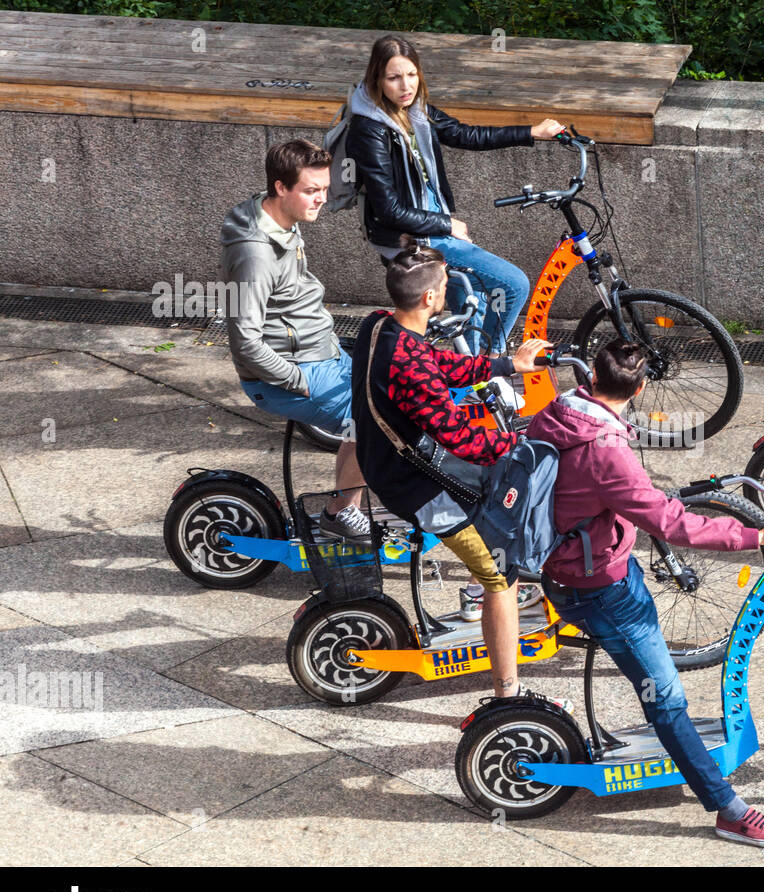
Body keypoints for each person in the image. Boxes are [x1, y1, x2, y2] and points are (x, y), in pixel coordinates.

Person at [528, 341, 764, 848]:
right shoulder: (605, 451)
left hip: (571, 564)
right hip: (600, 588)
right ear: (641, 387)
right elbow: (670, 524)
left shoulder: (561, 411)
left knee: (661, 688)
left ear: (591, 378)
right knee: (667, 699)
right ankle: (728, 809)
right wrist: (752, 536)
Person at [350, 237, 559, 705]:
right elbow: (461, 438)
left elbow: (438, 364)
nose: (447, 290)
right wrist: (518, 442)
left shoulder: (378, 326)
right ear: (429, 298)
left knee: (501, 499)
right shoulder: (408, 363)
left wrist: (508, 363)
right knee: (497, 576)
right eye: (444, 284)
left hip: (386, 458)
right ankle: (508, 693)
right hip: (416, 484)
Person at [346, 34, 566, 355]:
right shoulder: (369, 131)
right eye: (394, 78)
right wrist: (446, 224)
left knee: (469, 309)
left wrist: (531, 132)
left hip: (434, 230)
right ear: (377, 79)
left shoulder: (417, 112)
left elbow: (465, 134)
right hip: (413, 239)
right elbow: (389, 209)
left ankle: (473, 379)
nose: (405, 85)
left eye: (411, 75)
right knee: (514, 284)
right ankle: (489, 365)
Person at [220, 139, 368, 539]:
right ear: (280, 188)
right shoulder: (255, 255)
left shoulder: (280, 218)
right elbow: (245, 341)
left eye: (324, 189)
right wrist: (298, 381)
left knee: (385, 398)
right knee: (381, 420)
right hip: (293, 372)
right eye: (311, 190)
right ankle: (339, 513)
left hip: (321, 352)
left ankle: (347, 504)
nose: (322, 199)